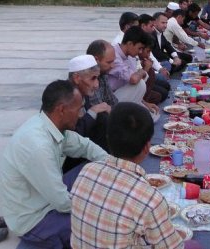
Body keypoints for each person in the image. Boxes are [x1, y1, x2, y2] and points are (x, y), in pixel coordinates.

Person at [71, 102, 201, 248]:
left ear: (108, 138)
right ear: (147, 147)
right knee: (193, 245)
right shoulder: (149, 198)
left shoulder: (86, 171)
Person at [0, 80, 108, 248]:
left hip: (46, 198)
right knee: (99, 220)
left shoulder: (51, 125)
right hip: (34, 219)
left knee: (94, 169)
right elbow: (63, 203)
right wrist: (101, 204)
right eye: (79, 109)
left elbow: (85, 146)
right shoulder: (38, 146)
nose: (81, 115)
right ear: (62, 110)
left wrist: (116, 169)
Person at [63, 55, 111, 172]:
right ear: (77, 78)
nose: (96, 85)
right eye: (93, 78)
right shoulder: (65, 98)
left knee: (104, 118)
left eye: (97, 79)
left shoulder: (81, 92)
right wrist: (92, 112)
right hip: (68, 163)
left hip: (83, 149)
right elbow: (71, 139)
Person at [108, 26, 159, 119]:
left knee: (153, 116)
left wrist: (145, 103)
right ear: (130, 44)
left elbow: (134, 82)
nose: (140, 52)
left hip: (125, 96)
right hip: (111, 99)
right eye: (139, 48)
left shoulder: (131, 56)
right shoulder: (114, 54)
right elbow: (134, 79)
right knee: (140, 84)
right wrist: (144, 70)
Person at [86, 39, 119, 108]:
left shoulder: (103, 74)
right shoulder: (87, 78)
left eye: (113, 61)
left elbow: (112, 101)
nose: (113, 66)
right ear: (96, 60)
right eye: (109, 62)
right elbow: (99, 110)